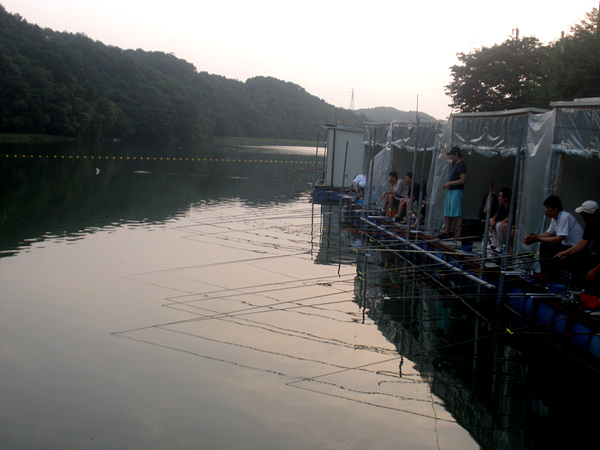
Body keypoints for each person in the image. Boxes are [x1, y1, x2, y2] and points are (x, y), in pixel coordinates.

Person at [524, 195, 583, 278]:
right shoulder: (555, 218)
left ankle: (550, 275)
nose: (546, 210)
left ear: (556, 208)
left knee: (548, 247)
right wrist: (534, 237)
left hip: (573, 247)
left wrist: (537, 238)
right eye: (546, 208)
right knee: (544, 244)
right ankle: (545, 273)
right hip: (566, 245)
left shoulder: (565, 217)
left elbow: (558, 239)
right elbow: (549, 233)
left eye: (548, 208)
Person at [556, 200, 600, 294]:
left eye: (584, 215)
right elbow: (583, 242)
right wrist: (567, 252)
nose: (582, 217)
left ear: (590, 215)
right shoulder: (590, 225)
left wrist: (595, 270)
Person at [440, 144, 466, 237]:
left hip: (457, 190)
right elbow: (447, 159)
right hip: (450, 190)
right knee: (447, 211)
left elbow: (462, 180)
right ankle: (447, 229)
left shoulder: (461, 165)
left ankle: (459, 233)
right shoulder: (454, 163)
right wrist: (443, 149)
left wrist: (450, 183)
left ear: (456, 154)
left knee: (457, 212)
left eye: (452, 155)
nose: (451, 157)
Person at [488, 187, 512, 254]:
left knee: (498, 225)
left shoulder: (511, 206)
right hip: (503, 225)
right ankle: (494, 244)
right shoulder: (502, 207)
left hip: (509, 226)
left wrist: (494, 225)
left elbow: (507, 220)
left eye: (500, 196)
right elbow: (495, 217)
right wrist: (492, 224)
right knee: (490, 220)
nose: (498, 198)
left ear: (505, 198)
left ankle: (500, 247)